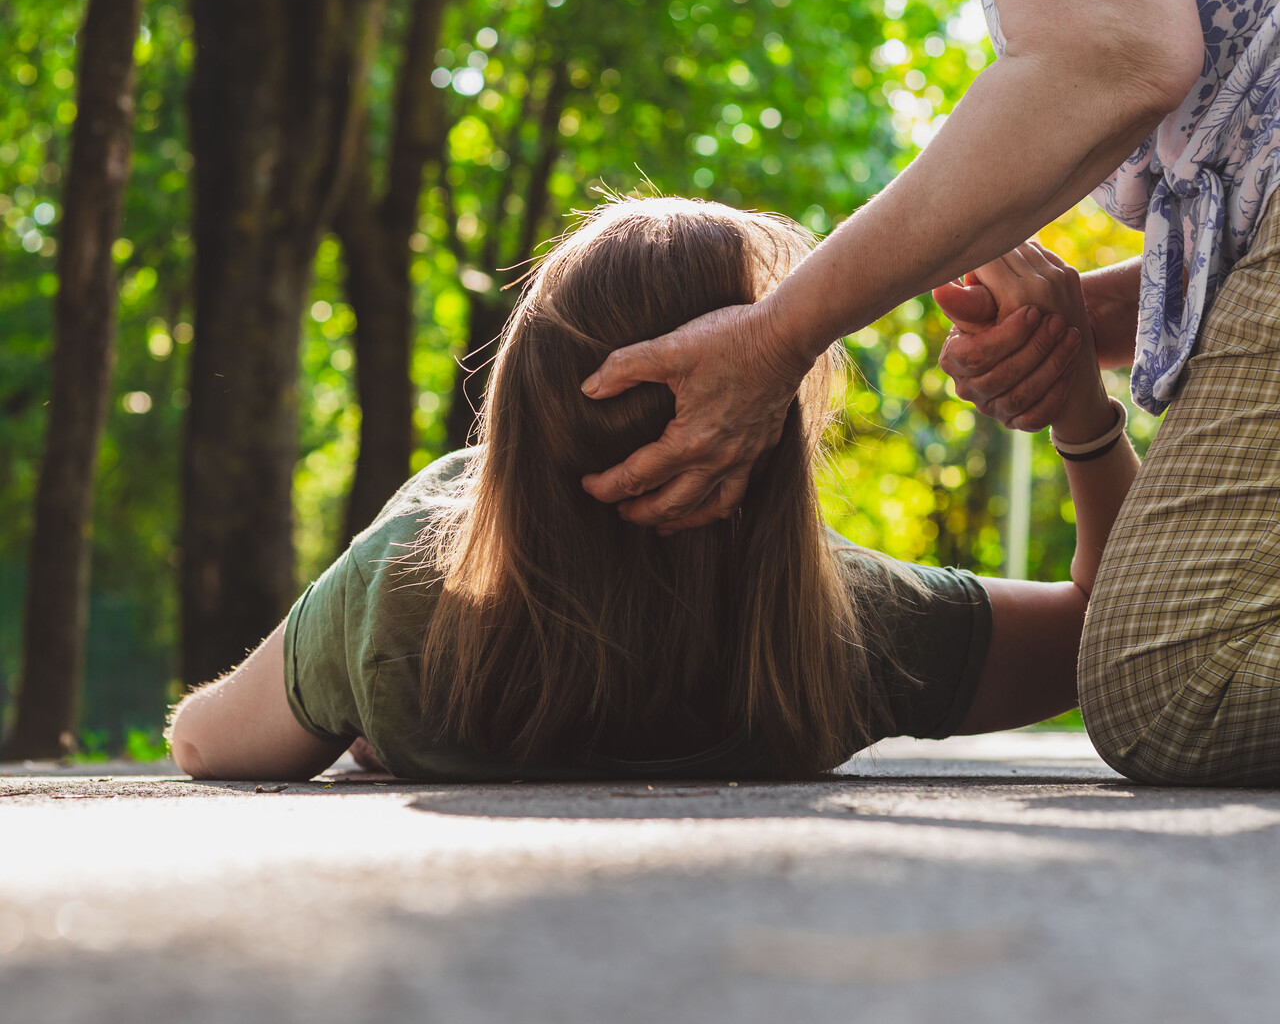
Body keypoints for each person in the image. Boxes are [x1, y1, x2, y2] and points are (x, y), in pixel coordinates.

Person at [578, 0, 1280, 785]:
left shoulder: (385, 606)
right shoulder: (860, 625)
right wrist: (1088, 336)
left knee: (1179, 679)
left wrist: (779, 335)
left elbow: (1111, 54)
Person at [167, 198, 1136, 782]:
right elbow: (1112, 634)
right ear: (766, 439)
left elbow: (204, 742)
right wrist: (1082, 418)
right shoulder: (840, 630)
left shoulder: (404, 599)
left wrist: (357, 684)